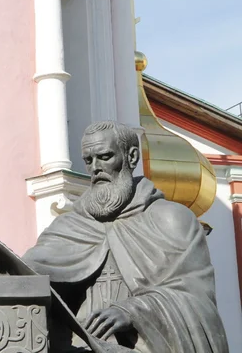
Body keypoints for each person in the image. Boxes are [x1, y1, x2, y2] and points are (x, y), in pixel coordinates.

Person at [20, 121, 229, 352]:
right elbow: (25, 275)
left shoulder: (170, 220)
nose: (95, 168)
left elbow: (198, 303)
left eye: (105, 156)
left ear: (131, 157)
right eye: (88, 160)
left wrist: (133, 311)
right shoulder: (69, 226)